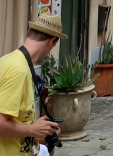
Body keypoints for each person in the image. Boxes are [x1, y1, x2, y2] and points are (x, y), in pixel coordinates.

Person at [0, 13, 67, 156]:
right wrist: (33, 129)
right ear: (52, 41)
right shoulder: (18, 70)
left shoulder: (10, 61)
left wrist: (39, 128)